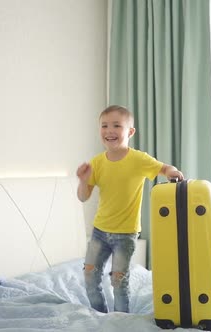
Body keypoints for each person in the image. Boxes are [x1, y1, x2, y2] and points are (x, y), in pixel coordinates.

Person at [76, 105, 184, 313]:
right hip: (100, 231)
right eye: (104, 126)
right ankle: (99, 315)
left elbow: (163, 168)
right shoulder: (97, 163)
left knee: (119, 281)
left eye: (116, 125)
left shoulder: (138, 159)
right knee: (90, 275)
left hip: (125, 234)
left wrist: (172, 171)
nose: (109, 131)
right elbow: (83, 196)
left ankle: (121, 321)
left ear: (130, 132)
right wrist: (82, 181)